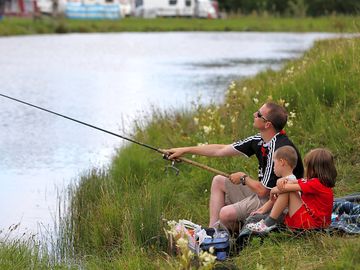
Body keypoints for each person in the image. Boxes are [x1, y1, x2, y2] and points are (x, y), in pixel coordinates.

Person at [165, 102, 304, 230]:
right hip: (266, 195)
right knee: (218, 180)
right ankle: (212, 231)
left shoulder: (279, 149)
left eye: (259, 114)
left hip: (278, 204)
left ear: (267, 124)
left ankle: (232, 239)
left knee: (225, 213)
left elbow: (263, 192)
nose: (254, 115)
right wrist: (184, 150)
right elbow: (221, 149)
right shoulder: (259, 139)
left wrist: (244, 178)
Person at [246, 148, 337, 233]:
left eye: (307, 166)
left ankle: (267, 223)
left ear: (314, 169)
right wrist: (281, 180)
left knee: (288, 191)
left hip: (313, 225)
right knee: (287, 189)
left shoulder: (317, 184)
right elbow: (291, 181)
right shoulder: (313, 182)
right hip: (311, 221)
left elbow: (285, 188)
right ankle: (269, 222)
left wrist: (274, 190)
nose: (305, 169)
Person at [250, 145, 298, 216]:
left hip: (288, 215)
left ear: (282, 162)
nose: (273, 167)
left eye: (274, 163)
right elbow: (272, 201)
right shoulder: (284, 180)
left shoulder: (290, 180)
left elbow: (276, 198)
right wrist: (260, 211)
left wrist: (273, 190)